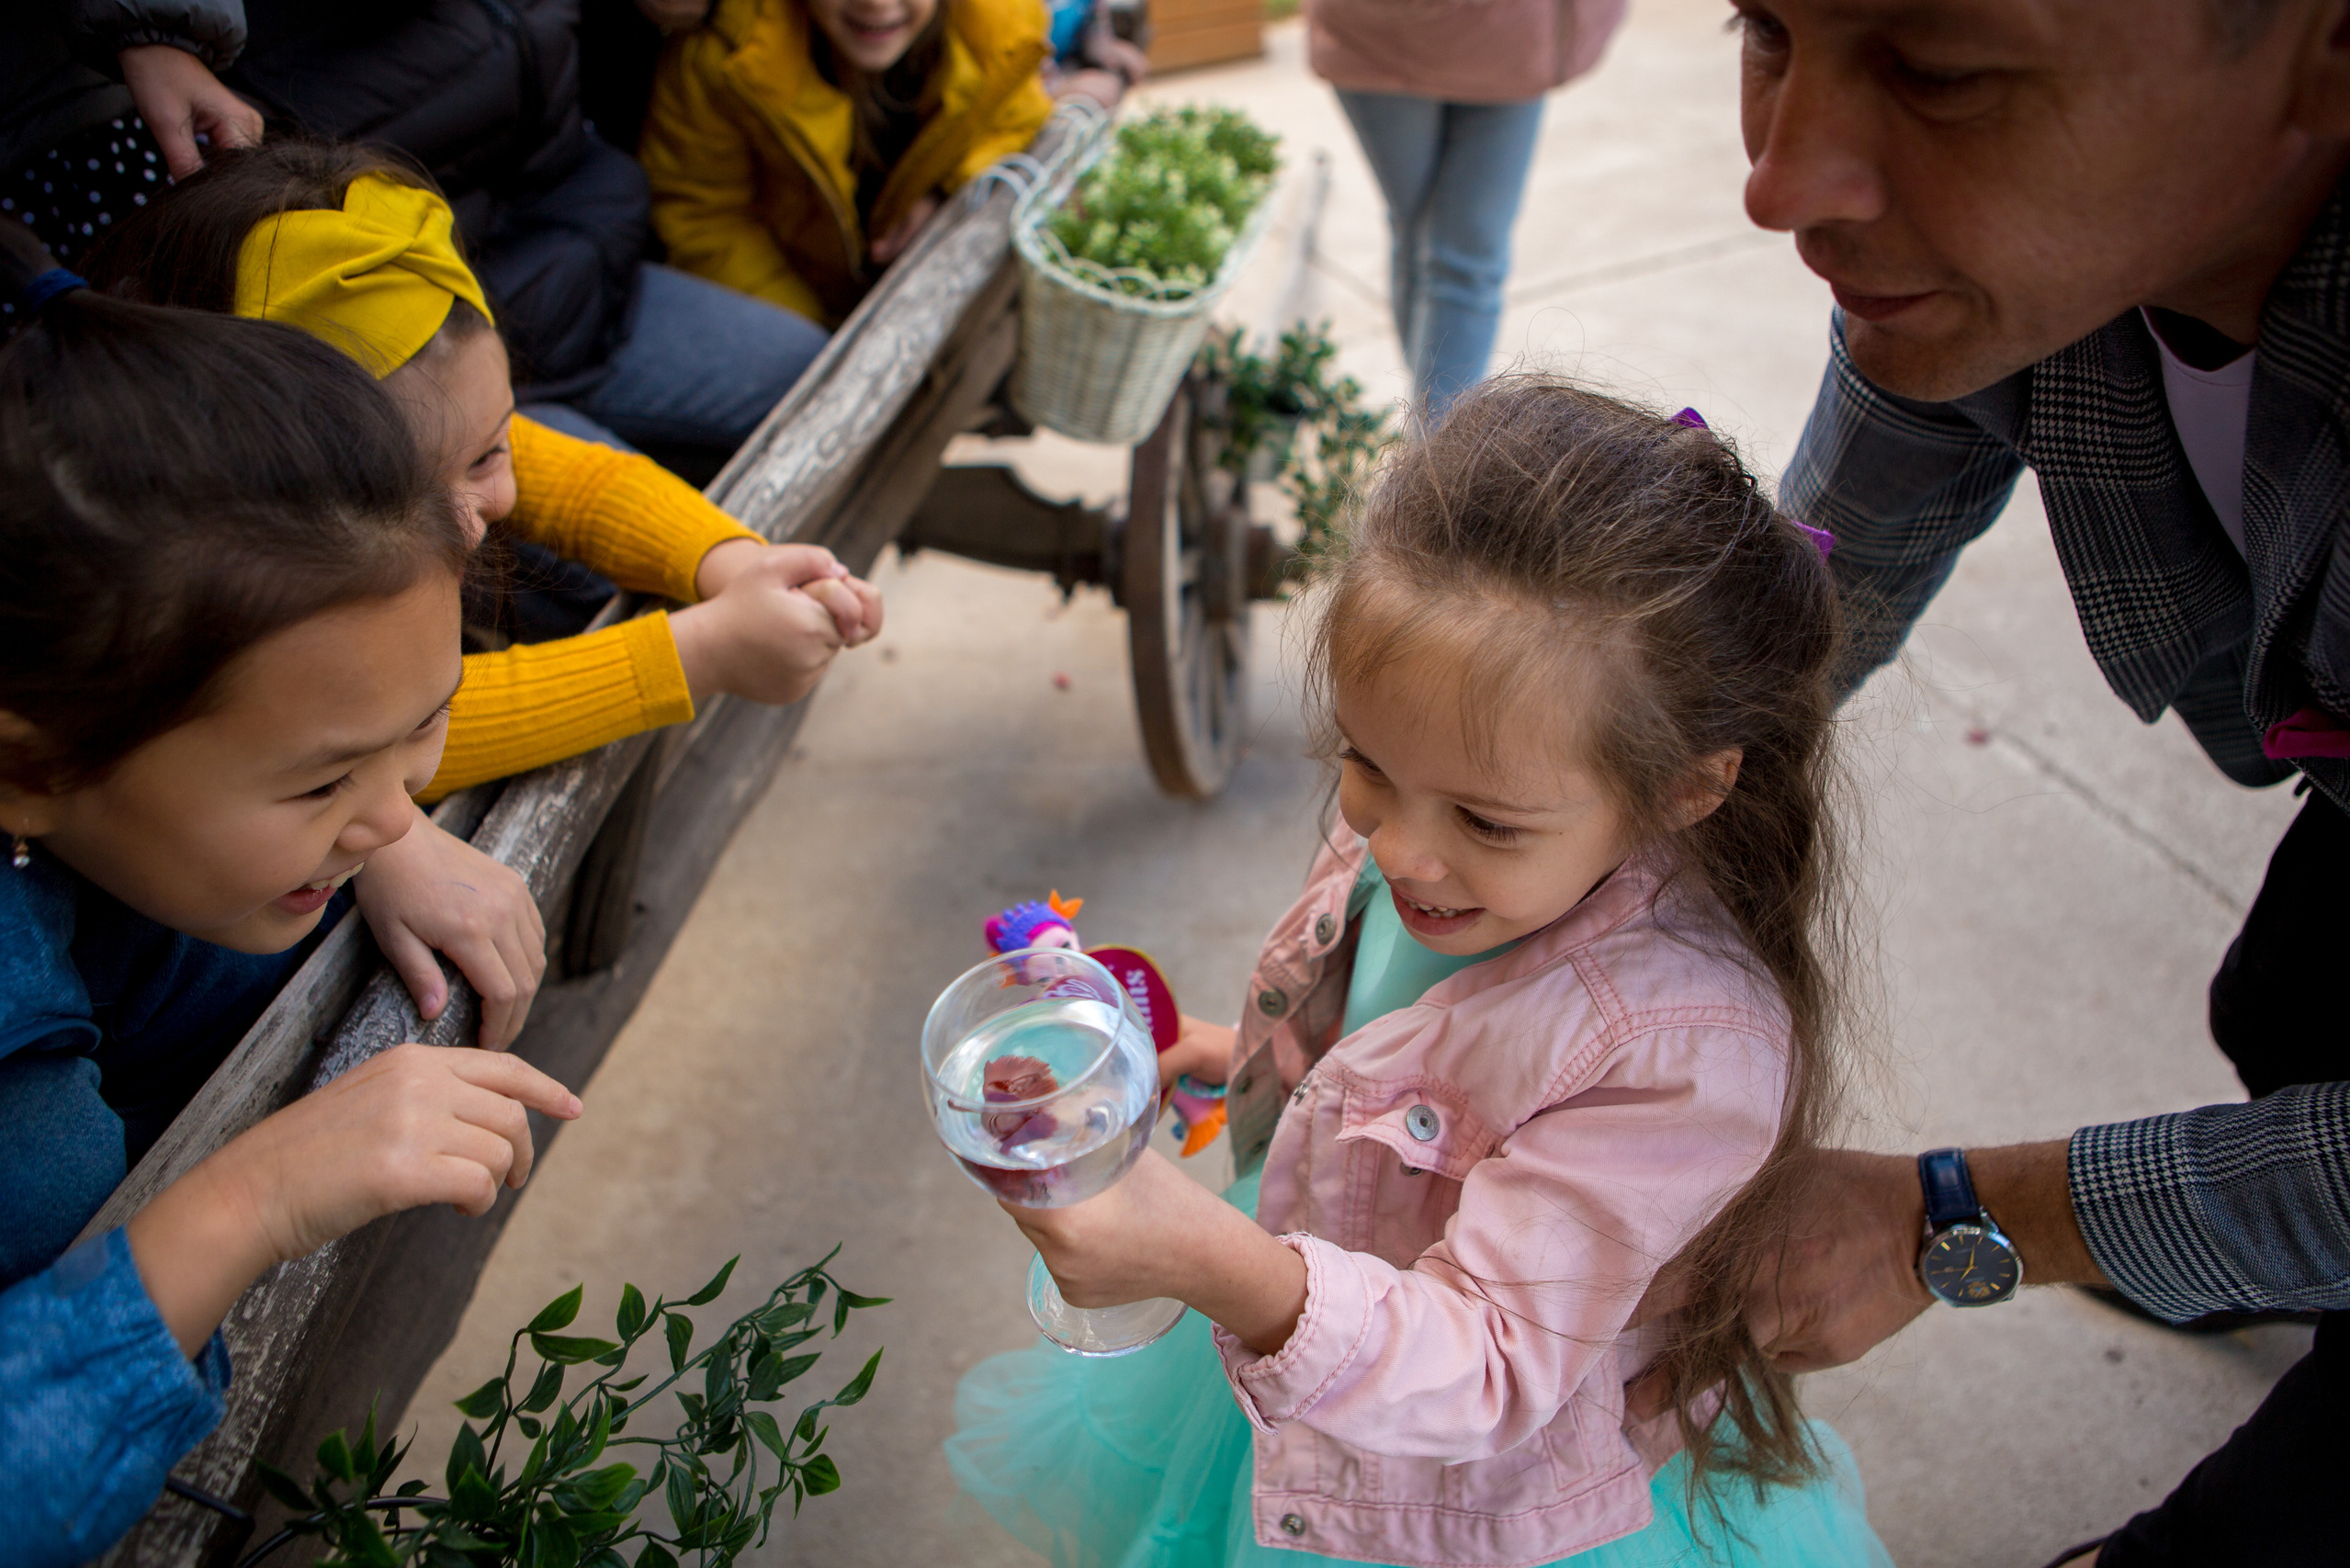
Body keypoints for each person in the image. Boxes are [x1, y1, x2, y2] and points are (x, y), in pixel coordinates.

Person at [947, 378, 1892, 1568]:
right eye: (1366, 766)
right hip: (1316, 1339)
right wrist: (1226, 1053)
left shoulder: (1684, 1048)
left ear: (1682, 788)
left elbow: (1495, 1362)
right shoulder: (1453, 831)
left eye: (1485, 820)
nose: (1397, 849)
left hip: (1455, 1488)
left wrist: (1203, 1258)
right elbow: (1388, 1048)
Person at [1723, 2, 2350, 1562]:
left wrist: (1949, 1214)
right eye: (1764, 28)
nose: (1779, 182)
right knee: (2291, 996)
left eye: (1941, 72)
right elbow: (1806, 605)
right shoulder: (2017, 274)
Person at [0, 254, 584, 1568]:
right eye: (322, 778)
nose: (389, 812)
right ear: (29, 768)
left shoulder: (135, 787)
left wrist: (374, 820)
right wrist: (252, 1197)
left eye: (423, 729)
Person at [85, 140, 884, 807]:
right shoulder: (238, 584)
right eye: (410, 495)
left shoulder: (432, 415)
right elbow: (405, 742)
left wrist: (732, 561)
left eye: (491, 450)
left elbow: (585, 485)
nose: (477, 513)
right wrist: (701, 650)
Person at [0, 0, 835, 482]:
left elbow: (592, 162)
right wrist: (475, 377)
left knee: (819, 383)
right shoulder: (224, 79)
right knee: (613, 540)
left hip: (570, 297)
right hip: (435, 374)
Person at [638, 0, 1055, 330]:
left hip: (924, 305)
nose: (876, 3)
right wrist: (808, 334)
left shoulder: (993, 28)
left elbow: (1013, 116)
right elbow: (705, 217)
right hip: (795, 305)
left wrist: (944, 188)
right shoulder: (722, 57)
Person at [1305, 0, 1623, 412]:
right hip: (1453, 35)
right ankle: (1438, 442)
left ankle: (1431, 427)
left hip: (1485, 38)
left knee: (1431, 239)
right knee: (1458, 257)